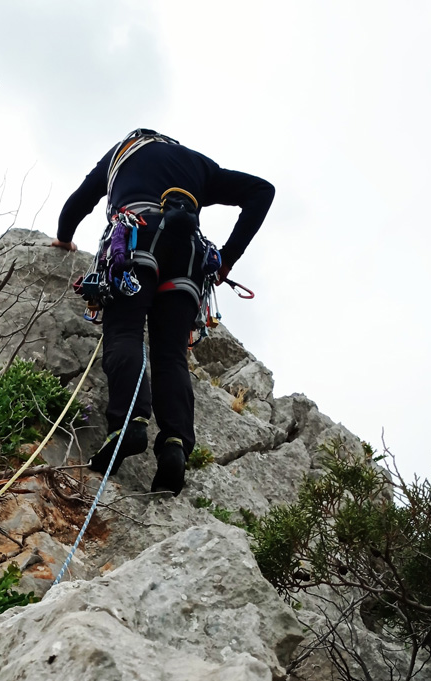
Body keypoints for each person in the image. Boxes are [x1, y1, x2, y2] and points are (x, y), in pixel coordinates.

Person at [52, 129, 274, 495]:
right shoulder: (198, 165)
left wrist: (64, 237)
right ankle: (174, 446)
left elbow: (78, 203)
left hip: (135, 238)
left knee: (124, 331)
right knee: (171, 356)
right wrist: (227, 260)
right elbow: (261, 191)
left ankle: (129, 424)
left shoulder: (123, 153)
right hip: (189, 254)